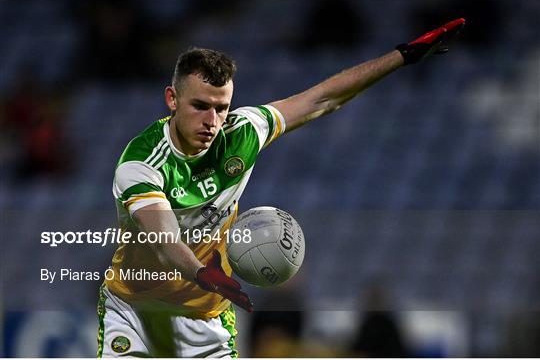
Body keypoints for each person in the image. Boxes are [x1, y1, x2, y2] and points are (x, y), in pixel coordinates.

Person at [97, 18, 466, 357]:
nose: (212, 120)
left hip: (204, 320)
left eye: (222, 107)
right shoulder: (142, 162)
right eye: (200, 106)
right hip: (136, 312)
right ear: (172, 99)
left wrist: (402, 56)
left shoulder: (243, 132)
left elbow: (322, 99)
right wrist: (200, 272)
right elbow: (164, 239)